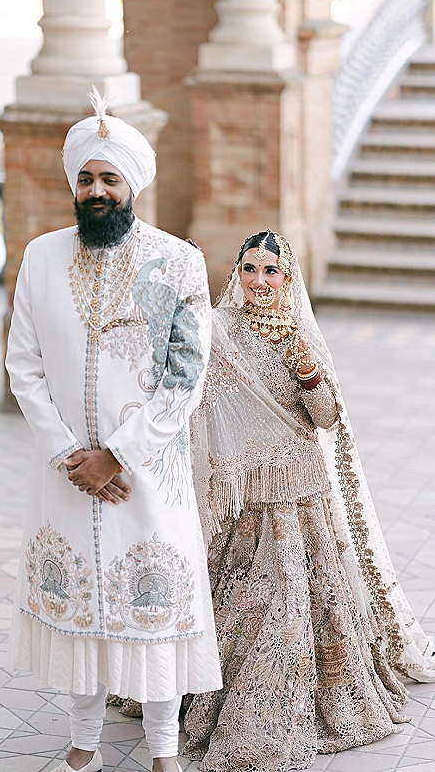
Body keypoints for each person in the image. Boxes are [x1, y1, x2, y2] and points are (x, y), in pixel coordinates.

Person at [4, 88, 222, 772]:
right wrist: (73, 453)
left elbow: (186, 375)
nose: (96, 190)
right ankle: (82, 744)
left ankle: (163, 753)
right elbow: (23, 365)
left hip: (146, 475)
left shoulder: (177, 262)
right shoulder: (40, 258)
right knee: (83, 613)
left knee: (151, 607)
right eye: (86, 178)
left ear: (133, 185)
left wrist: (119, 455)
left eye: (110, 177)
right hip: (67, 474)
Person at [182, 230, 435, 772]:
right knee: (248, 606)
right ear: (237, 274)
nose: (258, 281)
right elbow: (190, 386)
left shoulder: (300, 334)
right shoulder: (219, 330)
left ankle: (310, 703)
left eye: (269, 271)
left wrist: (306, 370)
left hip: (300, 493)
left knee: (298, 602)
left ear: (287, 278)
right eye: (248, 269)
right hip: (245, 498)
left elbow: (325, 419)